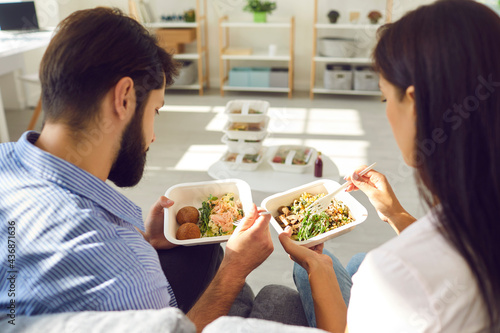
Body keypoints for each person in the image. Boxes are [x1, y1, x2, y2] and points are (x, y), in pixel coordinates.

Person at [0, 7, 275, 332]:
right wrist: (235, 269)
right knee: (234, 271)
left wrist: (146, 241)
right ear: (124, 97)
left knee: (201, 250)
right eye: (155, 111)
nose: (153, 136)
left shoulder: (6, 159)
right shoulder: (120, 265)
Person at [279, 0, 500, 332]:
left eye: (385, 97)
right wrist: (395, 213)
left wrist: (317, 268)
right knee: (357, 262)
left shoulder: (394, 274)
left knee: (309, 273)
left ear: (415, 104)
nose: (385, 112)